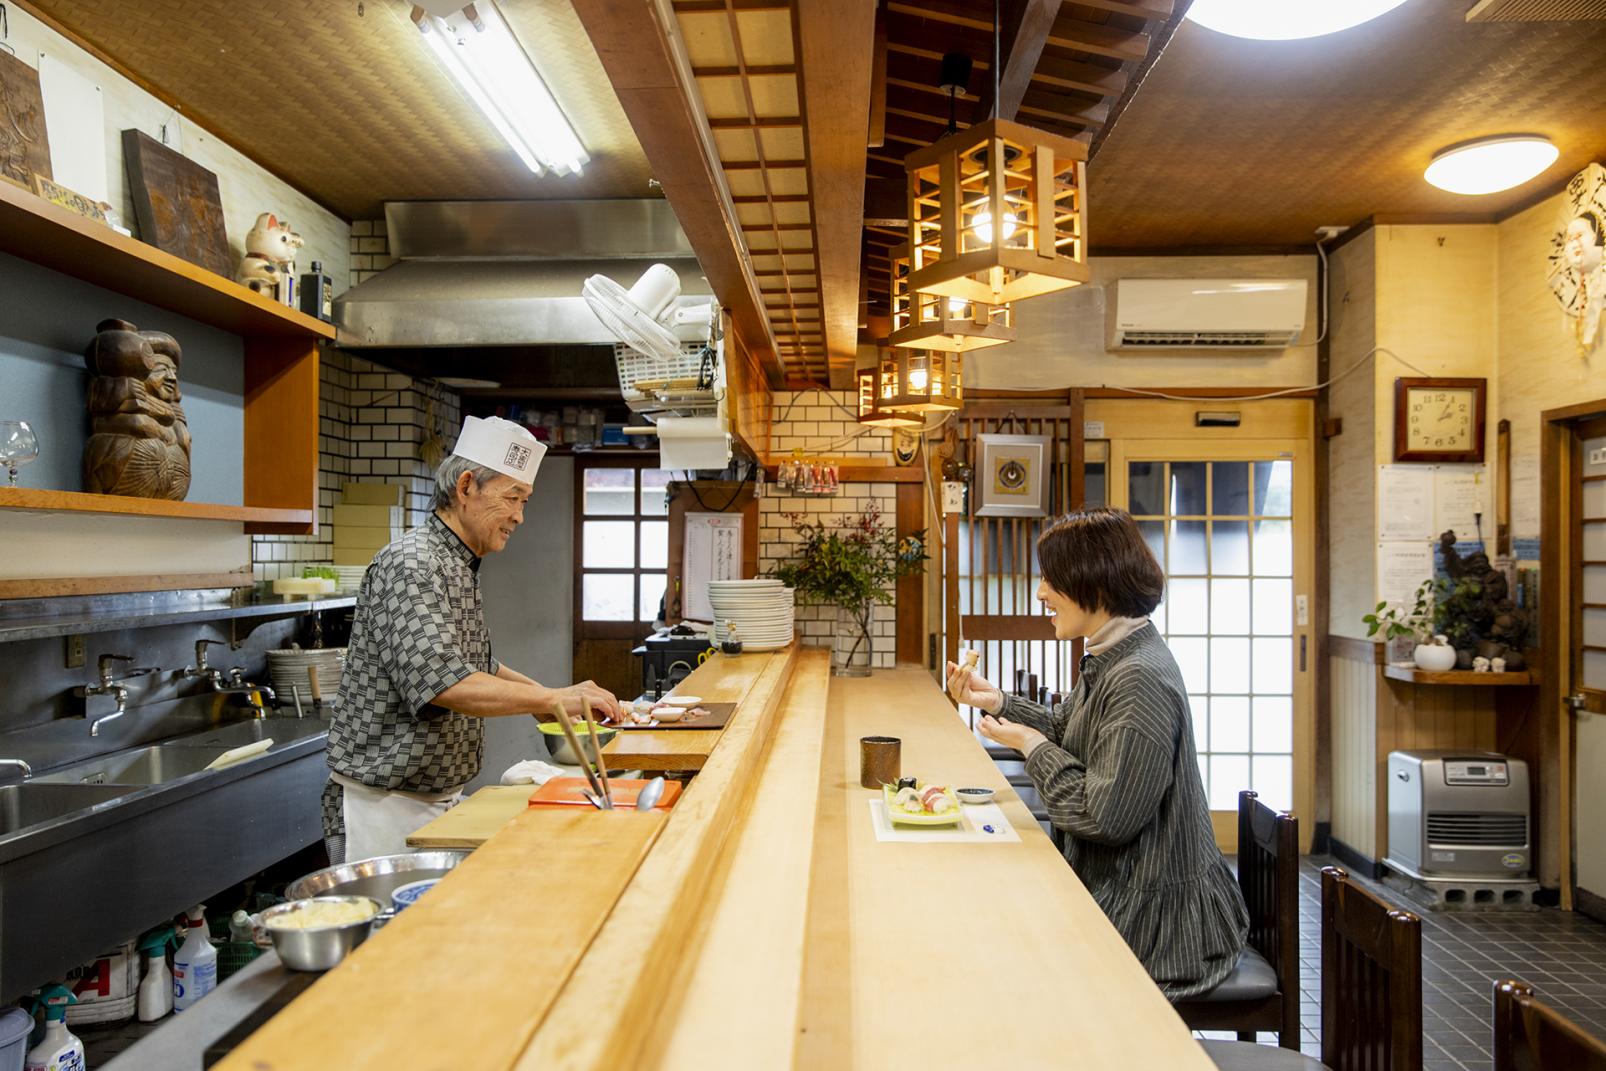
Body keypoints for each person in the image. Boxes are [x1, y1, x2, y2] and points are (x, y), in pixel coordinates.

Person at [947, 506, 1248, 1001]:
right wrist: (998, 701)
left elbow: (1106, 817)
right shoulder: (1119, 652)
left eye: (1050, 579)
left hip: (1162, 922)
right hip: (1134, 889)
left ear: (1097, 583)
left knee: (998, 953)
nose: (1040, 593)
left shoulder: (1138, 678)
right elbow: (1071, 728)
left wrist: (1031, 746)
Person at [322, 415, 622, 862]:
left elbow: (479, 666)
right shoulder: (413, 564)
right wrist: (555, 699)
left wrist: (564, 699)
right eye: (512, 498)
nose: (519, 516)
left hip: (431, 798)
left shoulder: (456, 564)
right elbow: (447, 685)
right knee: (396, 932)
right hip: (384, 806)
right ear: (466, 487)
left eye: (525, 500)